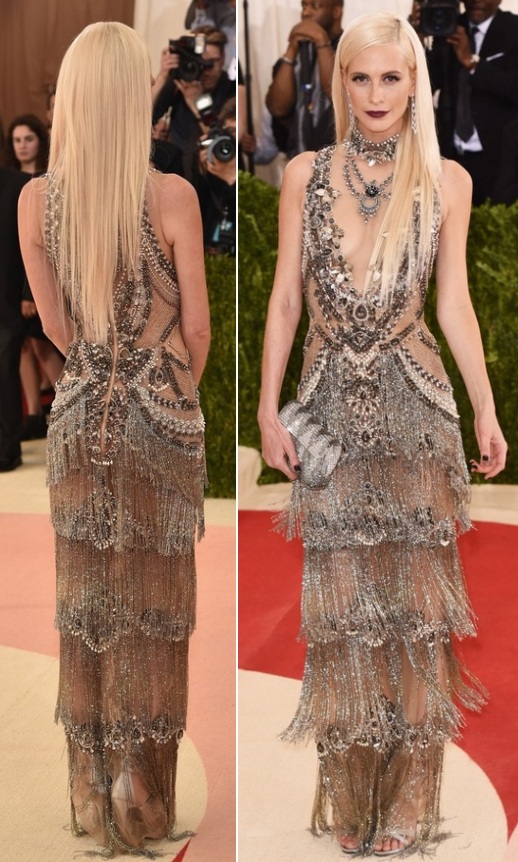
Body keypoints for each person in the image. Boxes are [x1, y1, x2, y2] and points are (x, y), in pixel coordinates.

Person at [258, 11, 507, 857]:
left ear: (415, 84)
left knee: (412, 612)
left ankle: (407, 798)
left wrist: (484, 406)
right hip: (324, 411)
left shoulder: (445, 181)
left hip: (415, 410)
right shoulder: (304, 174)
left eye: (391, 78)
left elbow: (453, 304)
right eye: (360, 77)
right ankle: (353, 786)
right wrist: (267, 407)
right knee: (341, 612)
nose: (375, 94)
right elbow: (284, 300)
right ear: (342, 82)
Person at [18, 21, 210, 856]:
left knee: (87, 606)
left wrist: (102, 367)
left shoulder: (36, 201)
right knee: (152, 610)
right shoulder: (172, 196)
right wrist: (169, 390)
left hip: (77, 417)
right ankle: (141, 793)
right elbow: (196, 330)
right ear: (136, 99)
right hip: (158, 414)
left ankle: (91, 792)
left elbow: (58, 330)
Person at [411, 0, 518, 206]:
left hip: (498, 159)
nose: (476, 1)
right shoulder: (446, 23)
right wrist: (418, 39)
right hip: (450, 156)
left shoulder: (513, 29)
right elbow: (425, 85)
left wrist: (472, 64)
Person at [265, 0, 344, 159]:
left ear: (336, 12)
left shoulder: (349, 48)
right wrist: (291, 50)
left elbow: (338, 95)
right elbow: (277, 108)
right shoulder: (298, 52)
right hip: (297, 157)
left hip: (339, 157)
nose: (306, 13)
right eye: (304, 6)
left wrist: (322, 41)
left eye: (315, 6)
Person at [152, 26, 235, 160]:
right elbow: (144, 117)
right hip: (175, 164)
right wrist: (162, 75)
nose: (206, 70)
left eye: (211, 63)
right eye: (200, 62)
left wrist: (198, 102)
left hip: (209, 167)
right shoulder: (181, 82)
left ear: (223, 58)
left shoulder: (231, 89)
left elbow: (224, 143)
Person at [0, 167, 29, 471]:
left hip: (9, 301)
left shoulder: (18, 184)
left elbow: (32, 242)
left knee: (5, 372)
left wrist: (29, 293)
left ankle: (8, 449)